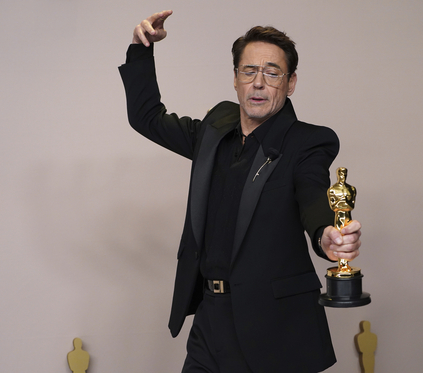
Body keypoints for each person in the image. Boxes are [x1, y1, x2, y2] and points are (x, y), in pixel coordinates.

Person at [119, 10, 362, 372]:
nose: (258, 83)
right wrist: (141, 50)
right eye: (249, 71)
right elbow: (147, 117)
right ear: (235, 79)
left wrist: (326, 233)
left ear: (291, 83)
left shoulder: (308, 142)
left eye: (272, 72)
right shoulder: (215, 129)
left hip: (273, 328)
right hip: (210, 318)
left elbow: (313, 193)